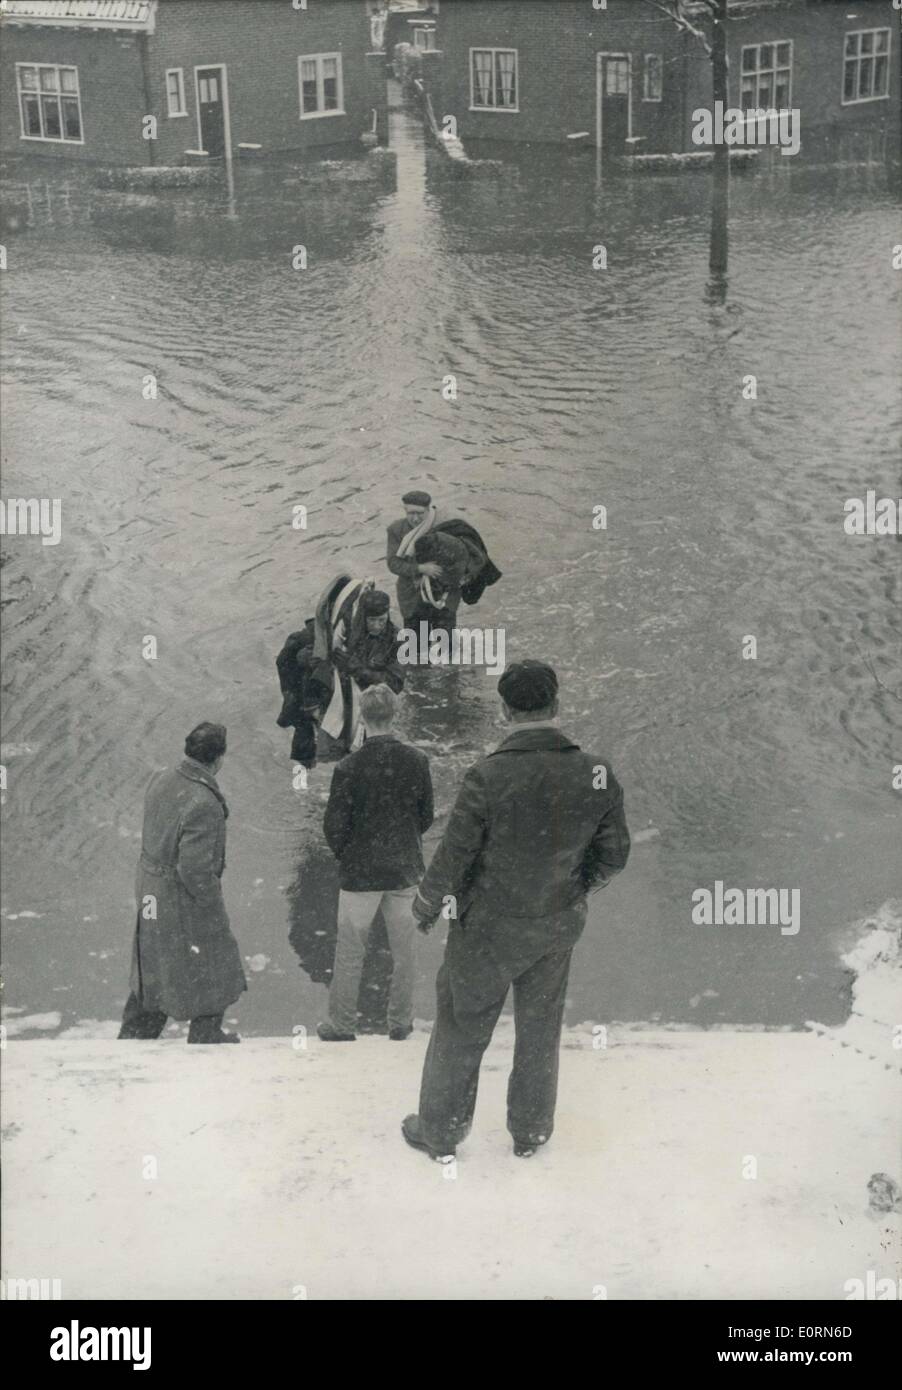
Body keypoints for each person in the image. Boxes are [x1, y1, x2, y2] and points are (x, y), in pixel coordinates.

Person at [402, 660, 630, 1160]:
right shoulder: (595, 771)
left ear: (505, 710)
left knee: (462, 1026)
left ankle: (441, 1131)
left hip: (487, 927)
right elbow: (614, 854)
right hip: (556, 924)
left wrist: (425, 905)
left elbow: (455, 854)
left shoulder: (489, 774)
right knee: (540, 1028)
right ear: (557, 705)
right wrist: (574, 887)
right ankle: (530, 1131)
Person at [118, 722, 247, 1045]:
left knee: (153, 960)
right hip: (177, 892)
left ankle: (135, 1035)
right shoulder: (204, 802)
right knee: (215, 954)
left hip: (148, 886)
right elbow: (194, 870)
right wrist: (213, 905)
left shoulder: (161, 777)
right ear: (218, 759)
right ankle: (206, 1032)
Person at [319, 684, 434, 1042]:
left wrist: (349, 855)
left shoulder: (349, 766)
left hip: (360, 873)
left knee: (351, 951)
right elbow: (425, 816)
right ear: (394, 714)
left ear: (363, 719)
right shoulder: (417, 760)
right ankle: (400, 1022)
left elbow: (333, 826)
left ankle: (341, 1025)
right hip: (404, 869)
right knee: (405, 953)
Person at [276, 576, 398, 768]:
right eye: (372, 620)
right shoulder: (325, 635)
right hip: (322, 710)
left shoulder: (394, 640)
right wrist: (305, 661)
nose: (377, 626)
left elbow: (395, 683)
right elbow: (285, 661)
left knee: (364, 763)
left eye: (381, 620)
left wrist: (358, 669)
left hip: (366, 713)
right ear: (361, 616)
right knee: (306, 763)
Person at [386, 490, 444, 626]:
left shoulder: (440, 526)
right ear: (405, 510)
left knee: (445, 641)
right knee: (417, 643)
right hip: (411, 595)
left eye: (420, 513)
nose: (416, 518)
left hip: (440, 591)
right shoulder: (396, 530)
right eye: (411, 513)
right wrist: (421, 568)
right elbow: (393, 563)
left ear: (428, 510)